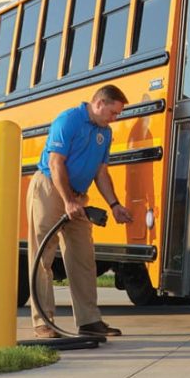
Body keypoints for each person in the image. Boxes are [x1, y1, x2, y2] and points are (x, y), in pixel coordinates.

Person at [28, 84, 133, 338]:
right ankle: (43, 321)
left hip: (77, 195)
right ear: (99, 104)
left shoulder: (105, 134)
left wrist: (115, 205)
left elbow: (101, 173)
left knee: (83, 258)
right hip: (50, 189)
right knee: (43, 256)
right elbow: (56, 163)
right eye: (113, 112)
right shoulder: (69, 120)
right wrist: (67, 201)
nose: (115, 118)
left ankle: (88, 321)